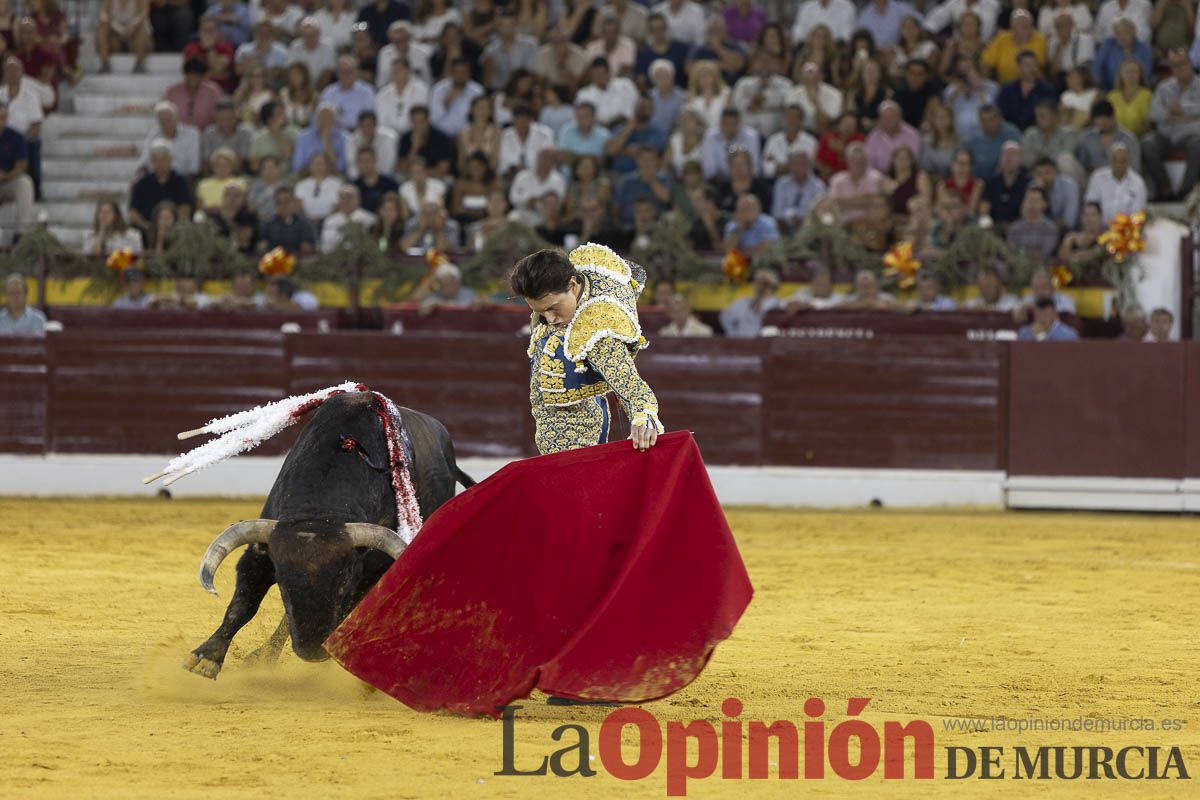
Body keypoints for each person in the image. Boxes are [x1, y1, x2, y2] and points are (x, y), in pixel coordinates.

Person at [511, 244, 663, 453]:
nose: (550, 319)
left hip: (575, 422)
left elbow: (630, 384)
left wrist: (643, 416)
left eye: (553, 308)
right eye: (540, 312)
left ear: (573, 285)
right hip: (584, 404)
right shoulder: (587, 269)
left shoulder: (597, 326)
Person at [1141, 49, 1200, 201]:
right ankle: (1165, 190)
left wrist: (1183, 110)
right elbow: (1153, 113)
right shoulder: (1163, 87)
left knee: (1198, 145)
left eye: (1182, 64)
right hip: (1166, 135)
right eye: (1174, 66)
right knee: (1148, 143)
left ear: (1191, 63)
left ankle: (1185, 191)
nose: (1178, 69)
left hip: (1191, 135)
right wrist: (1170, 115)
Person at [1084, 141, 1146, 222]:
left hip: (1125, 230)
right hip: (1099, 229)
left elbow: (1137, 214)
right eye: (1115, 160)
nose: (1118, 164)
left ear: (1129, 161)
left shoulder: (1137, 182)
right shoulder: (1098, 177)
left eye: (1122, 160)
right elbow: (1090, 205)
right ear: (1109, 160)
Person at [719, 268, 782, 337]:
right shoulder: (743, 302)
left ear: (771, 287)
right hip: (740, 342)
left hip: (763, 343)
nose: (758, 286)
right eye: (756, 282)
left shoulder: (776, 303)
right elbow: (725, 317)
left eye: (763, 283)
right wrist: (733, 334)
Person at [1006, 186, 1060, 264]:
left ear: (1044, 204)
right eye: (1028, 200)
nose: (1031, 204)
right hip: (1018, 266)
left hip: (1043, 267)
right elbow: (1010, 251)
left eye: (1035, 201)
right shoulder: (1014, 227)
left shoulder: (1051, 228)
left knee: (1061, 270)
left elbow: (1044, 254)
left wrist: (1021, 251)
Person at [97, 0, 152, 74]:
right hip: (116, 39)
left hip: (134, 40)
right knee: (103, 27)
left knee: (142, 28)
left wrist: (133, 25)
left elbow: (144, 12)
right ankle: (105, 64)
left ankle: (139, 64)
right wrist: (118, 27)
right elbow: (103, 14)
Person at [259, 185, 316, 255]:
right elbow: (262, 247)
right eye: (279, 202)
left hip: (298, 262)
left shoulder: (304, 224)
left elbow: (307, 249)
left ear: (294, 202)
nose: (283, 206)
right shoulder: (268, 224)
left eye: (286, 201)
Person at [320, 185, 377, 253]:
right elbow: (326, 246)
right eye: (343, 198)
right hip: (336, 258)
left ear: (358, 200)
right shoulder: (330, 221)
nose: (346, 201)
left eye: (350, 197)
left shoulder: (370, 219)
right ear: (338, 201)